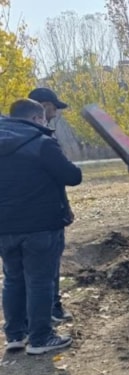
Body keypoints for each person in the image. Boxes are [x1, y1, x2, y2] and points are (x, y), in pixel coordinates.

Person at [0, 99, 82, 355]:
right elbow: (72, 176)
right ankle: (40, 338)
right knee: (40, 281)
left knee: (12, 279)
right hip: (40, 226)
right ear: (37, 118)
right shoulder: (41, 143)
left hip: (5, 226)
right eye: (44, 119)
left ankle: (15, 335)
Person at [28, 87, 72, 323]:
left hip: (11, 220)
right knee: (47, 267)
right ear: (43, 106)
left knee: (16, 275)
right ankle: (51, 310)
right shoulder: (44, 141)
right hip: (44, 218)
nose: (55, 113)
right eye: (54, 108)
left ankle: (20, 326)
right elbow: (67, 176)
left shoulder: (7, 138)